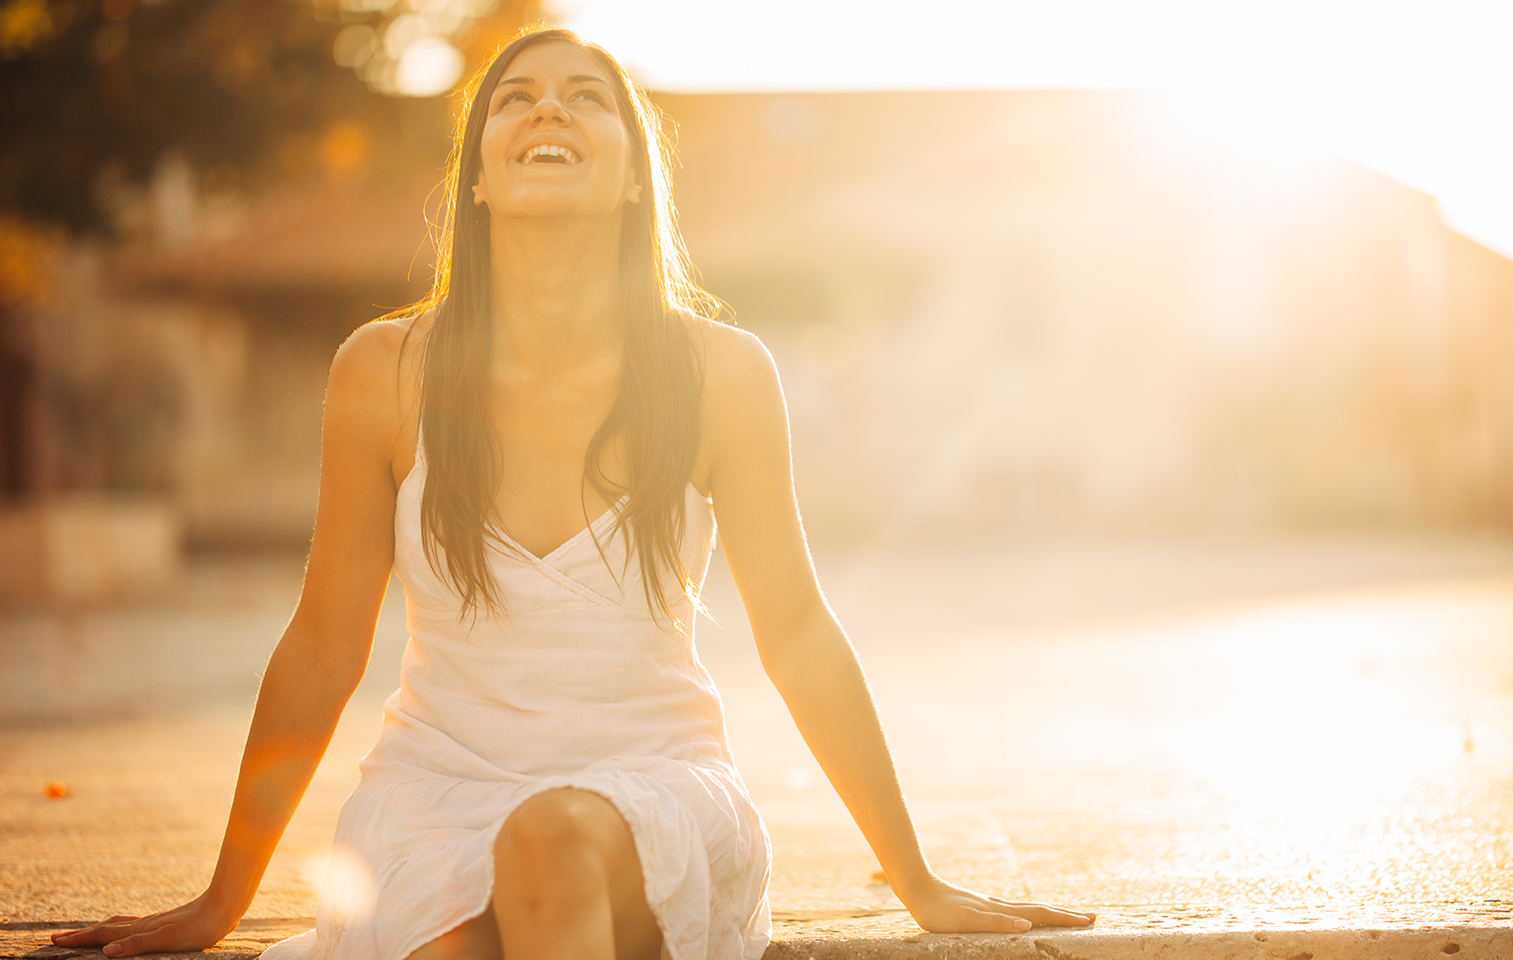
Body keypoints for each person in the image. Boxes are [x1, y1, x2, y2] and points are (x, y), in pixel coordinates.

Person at [51, 27, 1096, 960]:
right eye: (516, 96)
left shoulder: (718, 375)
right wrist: (219, 900)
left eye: (587, 96)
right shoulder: (384, 371)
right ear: (477, 181)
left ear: (635, 178)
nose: (548, 106)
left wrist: (916, 881)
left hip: (653, 795)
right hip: (434, 800)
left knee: (548, 840)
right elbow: (324, 644)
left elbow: (801, 636)